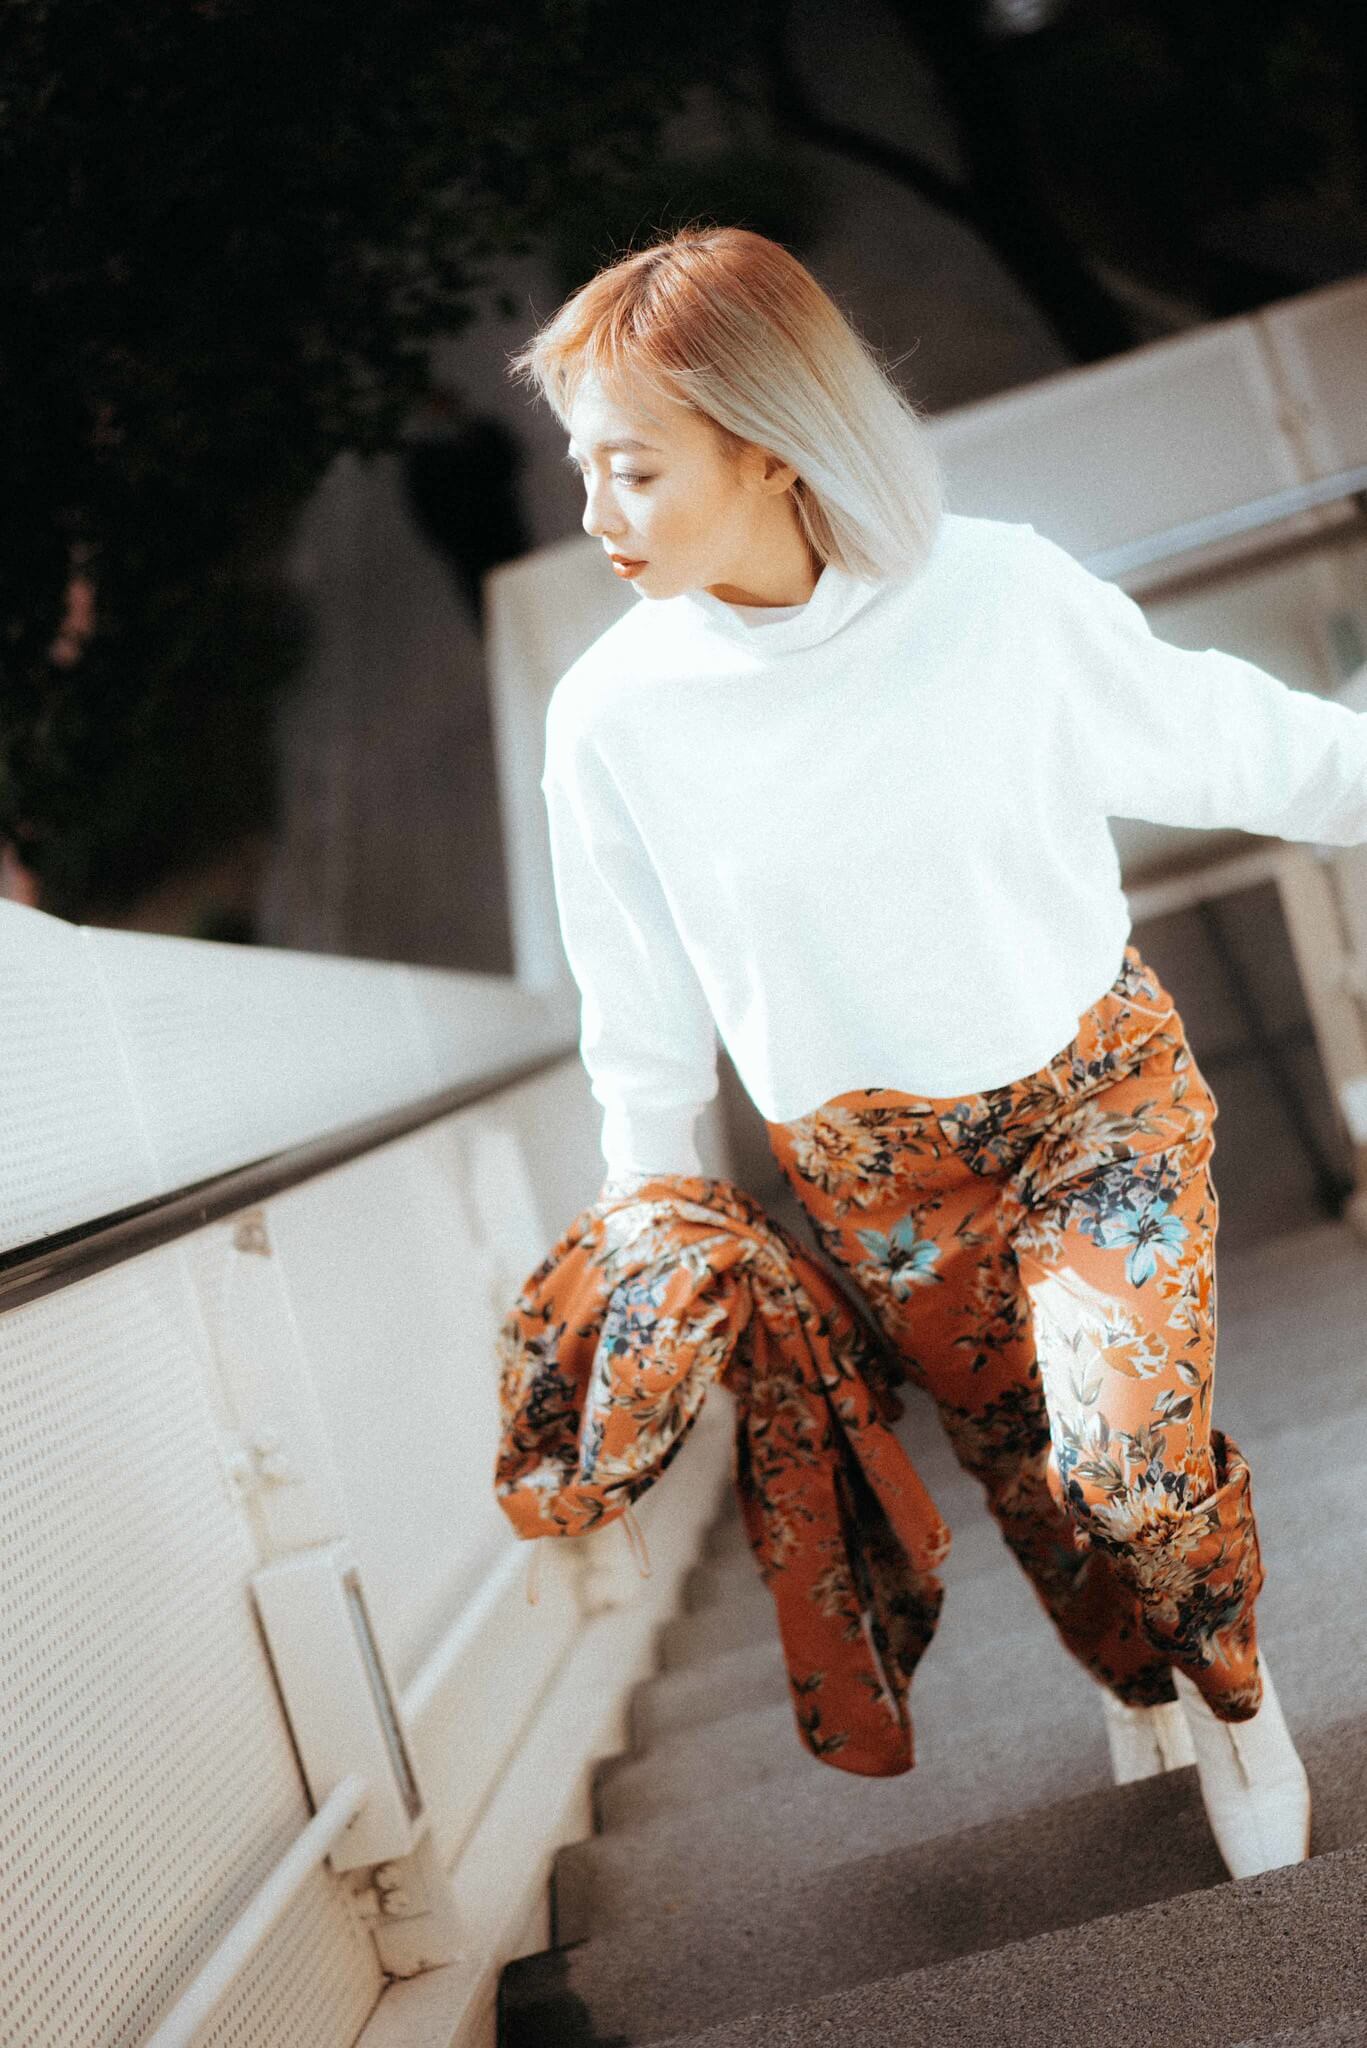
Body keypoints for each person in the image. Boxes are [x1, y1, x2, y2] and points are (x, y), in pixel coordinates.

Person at [504, 224, 1367, 1881]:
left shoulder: (997, 594)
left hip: (1095, 1106)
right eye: (582, 469)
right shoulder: (611, 717)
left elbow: (1235, 740)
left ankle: (1238, 1706)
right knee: (1037, 1495)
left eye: (635, 469)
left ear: (769, 446)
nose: (598, 514)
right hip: (881, 1185)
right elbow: (639, 1006)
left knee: (1126, 1462)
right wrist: (649, 1217)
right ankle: (1141, 1682)